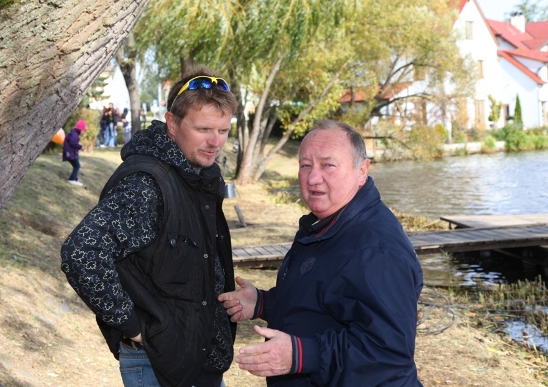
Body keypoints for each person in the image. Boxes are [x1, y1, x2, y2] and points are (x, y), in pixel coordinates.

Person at [61, 65, 239, 387]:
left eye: (223, 130)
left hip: (197, 361)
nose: (215, 141)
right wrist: (134, 327)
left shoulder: (198, 175)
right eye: (203, 129)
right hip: (157, 363)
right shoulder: (147, 184)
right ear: (172, 123)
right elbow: (82, 252)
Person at [219, 119, 424, 386]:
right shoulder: (328, 223)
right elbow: (323, 301)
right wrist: (263, 303)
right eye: (306, 165)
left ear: (362, 171)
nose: (313, 178)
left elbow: (388, 355)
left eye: (328, 165)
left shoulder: (378, 249)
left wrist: (301, 355)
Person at [63, 119, 87, 187]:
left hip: (71, 153)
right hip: (69, 153)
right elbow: (72, 143)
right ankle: (72, 179)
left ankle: (75, 178)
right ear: (81, 129)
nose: (84, 132)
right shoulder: (74, 134)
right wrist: (80, 147)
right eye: (84, 130)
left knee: (76, 165)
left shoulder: (75, 133)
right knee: (77, 166)